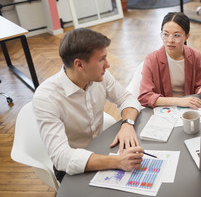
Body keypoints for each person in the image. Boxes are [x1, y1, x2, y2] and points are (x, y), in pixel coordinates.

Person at [33, 28, 144, 182]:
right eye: (101, 59)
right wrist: (117, 162)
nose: (108, 65)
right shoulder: (46, 97)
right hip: (71, 169)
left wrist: (127, 124)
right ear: (79, 64)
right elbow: (61, 157)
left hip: (102, 150)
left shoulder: (100, 75)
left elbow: (127, 98)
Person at [138, 12, 201, 109]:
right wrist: (179, 101)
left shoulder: (195, 56)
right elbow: (144, 97)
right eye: (165, 34)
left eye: (176, 35)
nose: (170, 40)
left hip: (188, 108)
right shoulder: (151, 60)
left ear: (187, 36)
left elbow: (198, 85)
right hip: (164, 109)